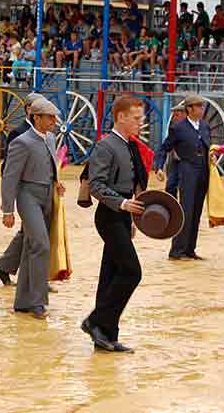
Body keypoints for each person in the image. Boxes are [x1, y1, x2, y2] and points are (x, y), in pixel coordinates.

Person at [81, 95, 147, 353]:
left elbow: (132, 185)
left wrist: (129, 215)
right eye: (136, 118)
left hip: (122, 214)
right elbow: (96, 185)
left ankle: (105, 335)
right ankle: (95, 320)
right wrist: (122, 205)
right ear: (120, 117)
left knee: (110, 275)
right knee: (132, 272)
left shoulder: (128, 145)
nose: (140, 123)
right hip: (109, 215)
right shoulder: (106, 146)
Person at [0, 97, 64, 320]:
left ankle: (22, 303)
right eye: (49, 118)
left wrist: (57, 182)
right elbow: (9, 177)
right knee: (41, 245)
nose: (54, 121)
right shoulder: (22, 142)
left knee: (31, 248)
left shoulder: (51, 139)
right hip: (27, 196)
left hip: (47, 195)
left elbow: (52, 163)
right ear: (36, 117)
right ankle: (37, 302)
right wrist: (7, 210)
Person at [153, 94, 211, 260]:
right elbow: (164, 148)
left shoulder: (205, 126)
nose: (201, 109)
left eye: (202, 106)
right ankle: (177, 250)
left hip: (203, 172)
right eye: (198, 106)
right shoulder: (178, 128)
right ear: (189, 109)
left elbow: (208, 148)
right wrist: (159, 167)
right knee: (185, 210)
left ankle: (190, 249)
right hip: (187, 171)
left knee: (197, 211)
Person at [0, 94, 39, 285]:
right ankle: (33, 278)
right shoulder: (19, 132)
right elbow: (9, 168)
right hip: (25, 190)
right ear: (28, 109)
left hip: (39, 189)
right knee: (34, 233)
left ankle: (4, 268)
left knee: (30, 232)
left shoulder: (44, 133)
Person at [161, 101, 187, 200]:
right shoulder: (173, 129)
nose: (173, 118)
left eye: (177, 115)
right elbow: (165, 147)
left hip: (188, 164)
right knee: (170, 187)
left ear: (185, 115)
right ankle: (174, 207)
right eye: (174, 115)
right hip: (175, 162)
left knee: (185, 190)